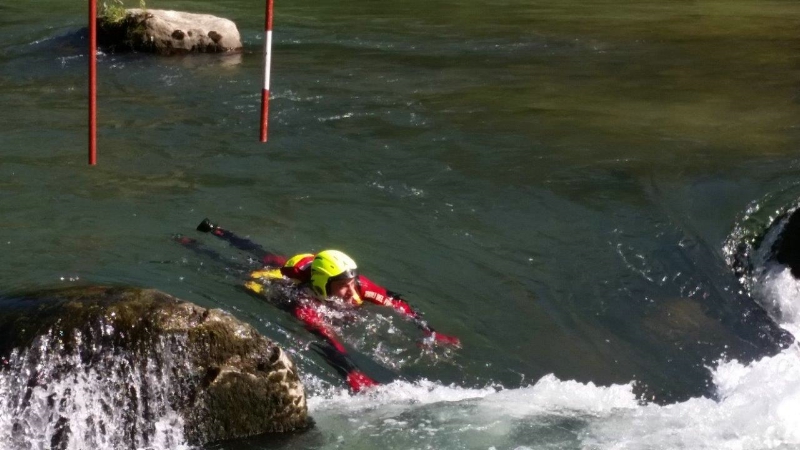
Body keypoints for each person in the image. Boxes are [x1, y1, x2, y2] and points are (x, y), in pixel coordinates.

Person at [195, 219, 460, 392]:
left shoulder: (359, 287)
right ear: (323, 284)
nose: (351, 293)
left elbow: (399, 302)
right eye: (343, 286)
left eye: (352, 283)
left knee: (261, 257)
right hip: (282, 276)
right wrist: (351, 373)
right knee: (245, 264)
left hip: (314, 268)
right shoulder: (304, 303)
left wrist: (429, 331)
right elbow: (325, 340)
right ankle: (209, 236)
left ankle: (212, 235)